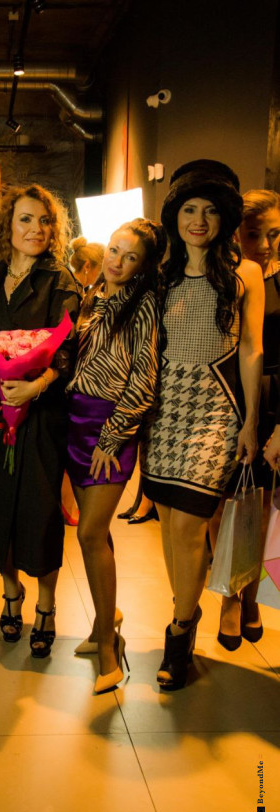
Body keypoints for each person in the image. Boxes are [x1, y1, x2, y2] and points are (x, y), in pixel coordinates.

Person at [140, 160, 264, 691]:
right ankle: (185, 613)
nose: (198, 220)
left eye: (210, 210)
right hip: (164, 407)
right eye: (189, 209)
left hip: (216, 409)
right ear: (174, 215)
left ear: (225, 217)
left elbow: (252, 348)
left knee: (191, 526)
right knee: (170, 526)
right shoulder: (160, 272)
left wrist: (251, 422)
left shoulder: (246, 272)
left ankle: (177, 633)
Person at [0, 184, 80, 659]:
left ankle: (46, 606)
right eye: (26, 219)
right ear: (7, 224)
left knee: (40, 512)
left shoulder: (59, 279)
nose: (36, 229)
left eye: (44, 221)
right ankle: (11, 592)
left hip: (42, 412)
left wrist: (37, 385)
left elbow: (68, 348)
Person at [67, 219, 164, 693]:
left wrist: (111, 438)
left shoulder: (143, 305)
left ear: (143, 267)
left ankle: (109, 645)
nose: (117, 262)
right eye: (114, 250)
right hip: (74, 421)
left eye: (130, 258)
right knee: (96, 535)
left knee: (89, 532)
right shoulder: (90, 296)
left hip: (110, 427)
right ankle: (104, 622)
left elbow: (144, 380)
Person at [216, 189, 280, 648]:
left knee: (260, 504)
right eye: (255, 234)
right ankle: (229, 593)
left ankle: (250, 595)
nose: (266, 244)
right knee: (222, 503)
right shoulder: (227, 275)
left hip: (275, 397)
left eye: (275, 233)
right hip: (229, 393)